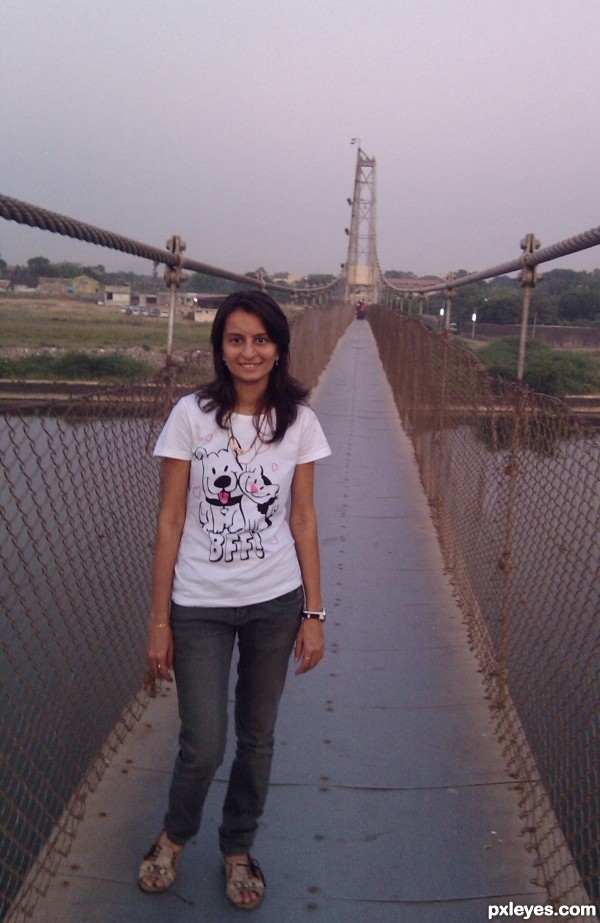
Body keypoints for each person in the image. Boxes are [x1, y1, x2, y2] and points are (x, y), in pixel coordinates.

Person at [138, 290, 331, 910]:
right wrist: (159, 620)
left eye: (261, 340)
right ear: (220, 347)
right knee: (204, 741)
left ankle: (238, 847)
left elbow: (303, 519)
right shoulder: (190, 415)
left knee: (258, 736)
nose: (249, 352)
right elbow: (170, 520)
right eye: (235, 340)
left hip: (275, 601)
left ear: (279, 347)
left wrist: (314, 614)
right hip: (199, 605)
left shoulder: (299, 420)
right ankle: (174, 836)